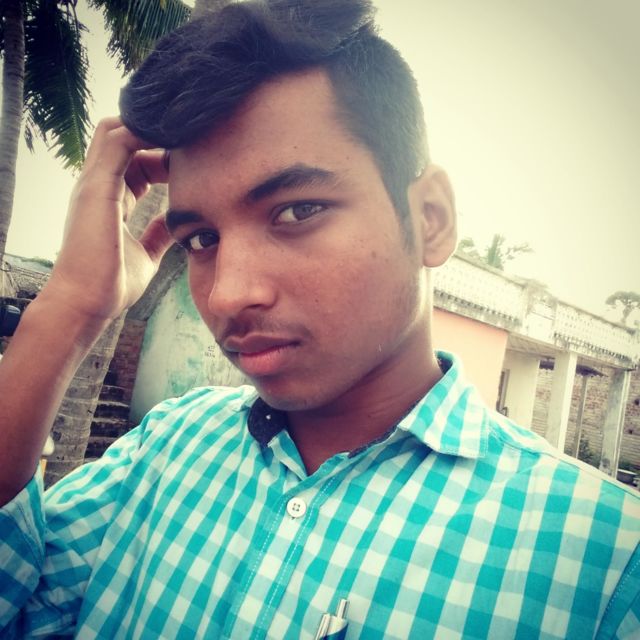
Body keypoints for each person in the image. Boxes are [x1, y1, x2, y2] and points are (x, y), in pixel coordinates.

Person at [0, 0, 638, 637]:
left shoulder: (603, 564)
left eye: (298, 211)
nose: (227, 295)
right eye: (201, 239)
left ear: (431, 220)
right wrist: (70, 304)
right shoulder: (163, 451)